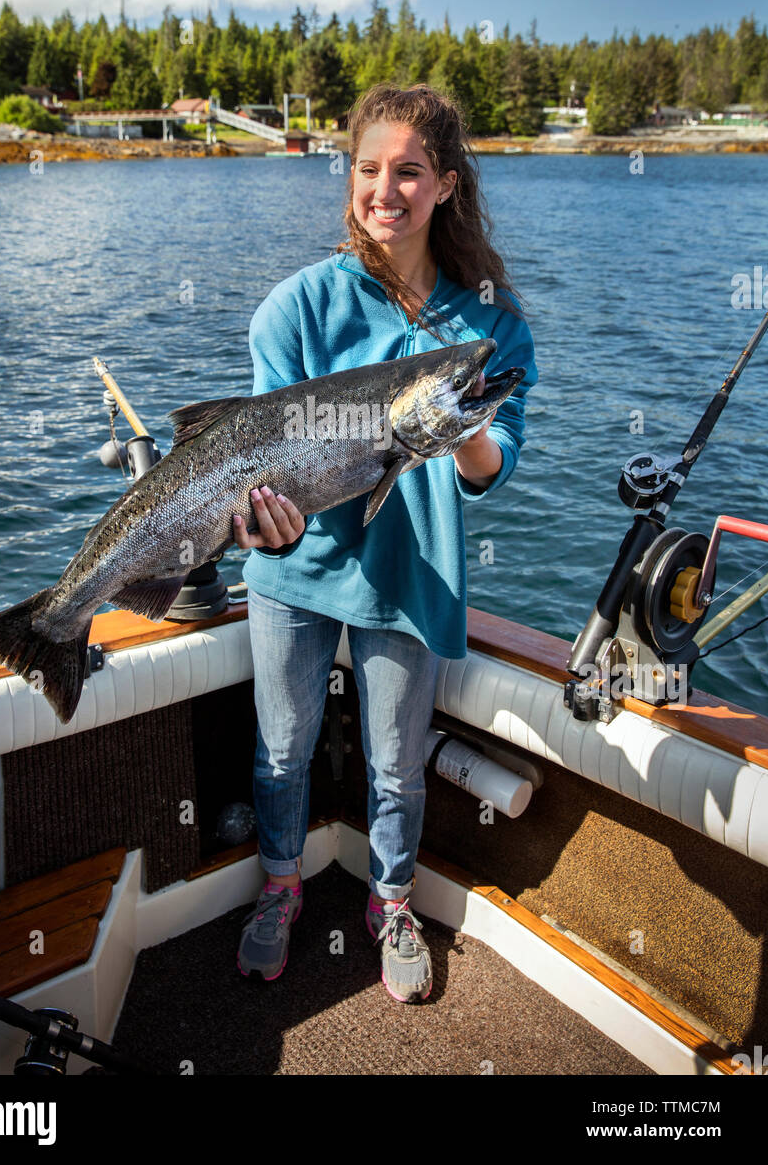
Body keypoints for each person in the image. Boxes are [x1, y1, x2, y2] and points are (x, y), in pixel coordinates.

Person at [232, 83, 538, 1002]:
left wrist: (463, 422)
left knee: (399, 764)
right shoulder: (296, 307)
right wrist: (261, 519)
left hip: (414, 578)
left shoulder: (491, 325)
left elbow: (490, 468)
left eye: (409, 172)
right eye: (369, 169)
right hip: (294, 570)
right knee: (280, 753)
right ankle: (279, 885)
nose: (385, 190)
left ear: (445, 184)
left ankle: (392, 902)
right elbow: (255, 459)